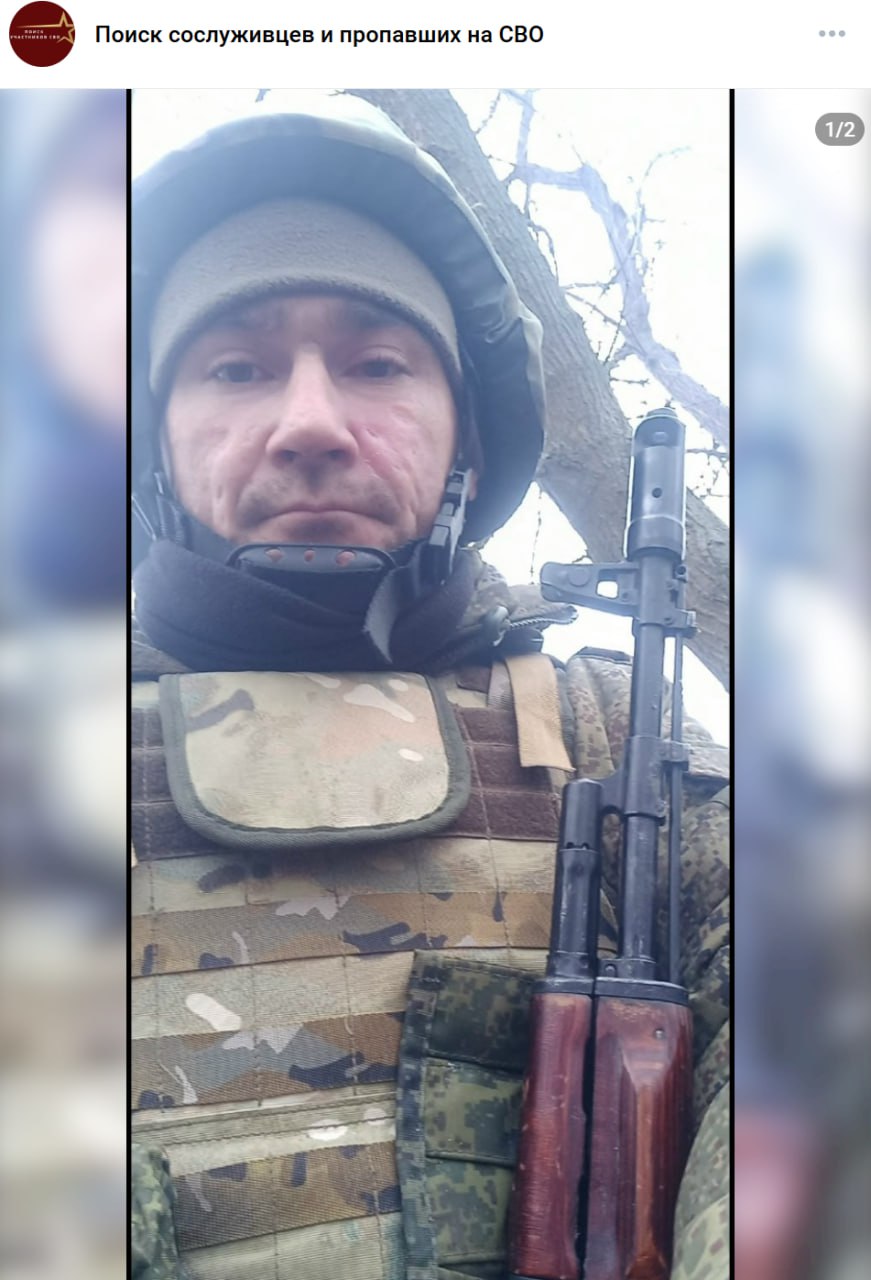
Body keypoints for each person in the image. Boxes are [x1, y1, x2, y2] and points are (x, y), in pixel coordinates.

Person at [131, 102, 729, 1280]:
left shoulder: (614, 738)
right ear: (153, 440)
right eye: (236, 366)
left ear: (466, 442)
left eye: (378, 364)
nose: (309, 423)